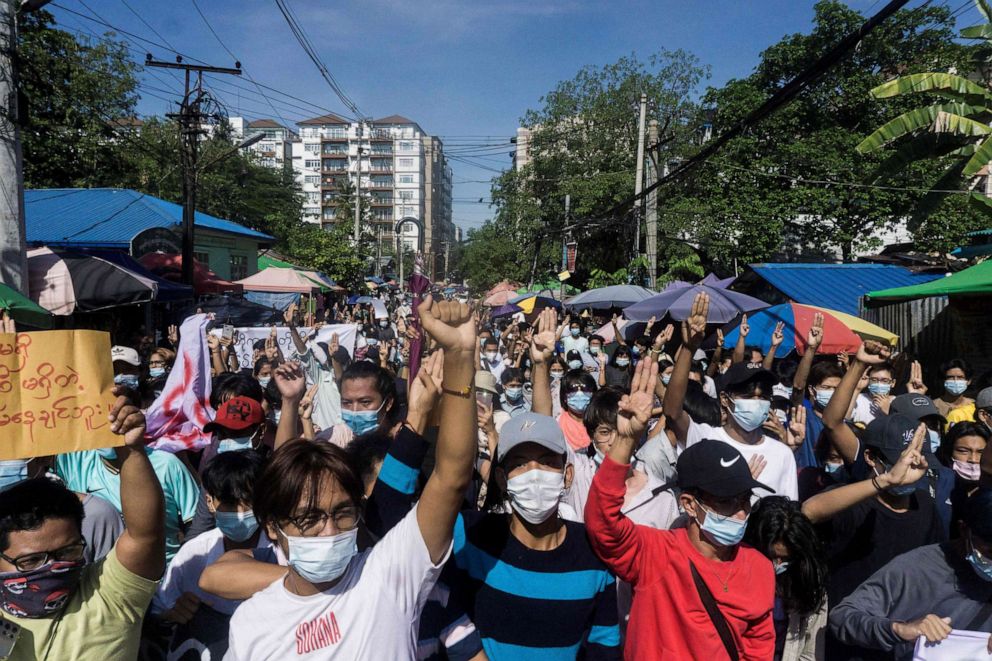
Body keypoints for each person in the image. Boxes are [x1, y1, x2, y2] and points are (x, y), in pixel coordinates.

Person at [224, 295, 478, 660]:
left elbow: (452, 476)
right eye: (309, 519)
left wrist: (460, 359)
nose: (329, 532)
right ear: (272, 528)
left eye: (342, 513)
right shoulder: (251, 622)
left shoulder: (389, 576)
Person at [585, 358, 776, 660]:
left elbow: (759, 647)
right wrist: (623, 441)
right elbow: (603, 528)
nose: (741, 514)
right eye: (726, 502)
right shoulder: (655, 555)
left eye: (744, 501)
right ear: (689, 504)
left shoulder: (760, 569)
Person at [0, 394, 164, 660]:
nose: (52, 567)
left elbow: (145, 534)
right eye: (31, 561)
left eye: (68, 552)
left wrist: (130, 450)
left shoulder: (110, 596)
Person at [452, 412, 622, 660]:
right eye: (519, 464)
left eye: (546, 461)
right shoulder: (471, 534)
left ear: (567, 475)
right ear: (502, 479)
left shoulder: (592, 553)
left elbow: (603, 647)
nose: (534, 474)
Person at [801, 416, 942, 660]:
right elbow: (809, 511)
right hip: (846, 638)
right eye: (901, 461)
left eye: (918, 460)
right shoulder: (849, 502)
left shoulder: (926, 507)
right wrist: (886, 480)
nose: (909, 470)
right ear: (870, 458)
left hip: (904, 640)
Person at [829, 487, 992, 661]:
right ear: (964, 530)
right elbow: (841, 618)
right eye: (990, 551)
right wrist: (899, 629)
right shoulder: (916, 568)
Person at [665, 293, 800, 501]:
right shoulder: (705, 438)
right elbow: (673, 411)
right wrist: (688, 349)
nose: (756, 403)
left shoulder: (782, 455)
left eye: (762, 396)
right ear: (726, 400)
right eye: (748, 395)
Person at [152, 451, 269, 659]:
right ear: (210, 502)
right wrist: (173, 613)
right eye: (230, 504)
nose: (241, 513)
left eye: (249, 502)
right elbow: (159, 611)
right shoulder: (193, 554)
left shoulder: (279, 550)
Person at [55, 430, 200, 565]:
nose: (110, 430)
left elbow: (197, 522)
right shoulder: (78, 463)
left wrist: (184, 570)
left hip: (164, 574)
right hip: (105, 578)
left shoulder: (167, 464)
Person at [744, 496, 828, 661]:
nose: (779, 564)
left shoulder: (809, 583)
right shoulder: (734, 575)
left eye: (786, 559)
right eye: (773, 557)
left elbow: (810, 653)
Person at [940, 421, 989, 535]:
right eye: (963, 451)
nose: (973, 459)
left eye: (981, 452)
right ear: (949, 452)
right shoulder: (938, 488)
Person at [557, 369, 598, 451]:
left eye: (585, 390)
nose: (580, 394)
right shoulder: (557, 424)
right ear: (564, 396)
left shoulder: (600, 421)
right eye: (573, 390)